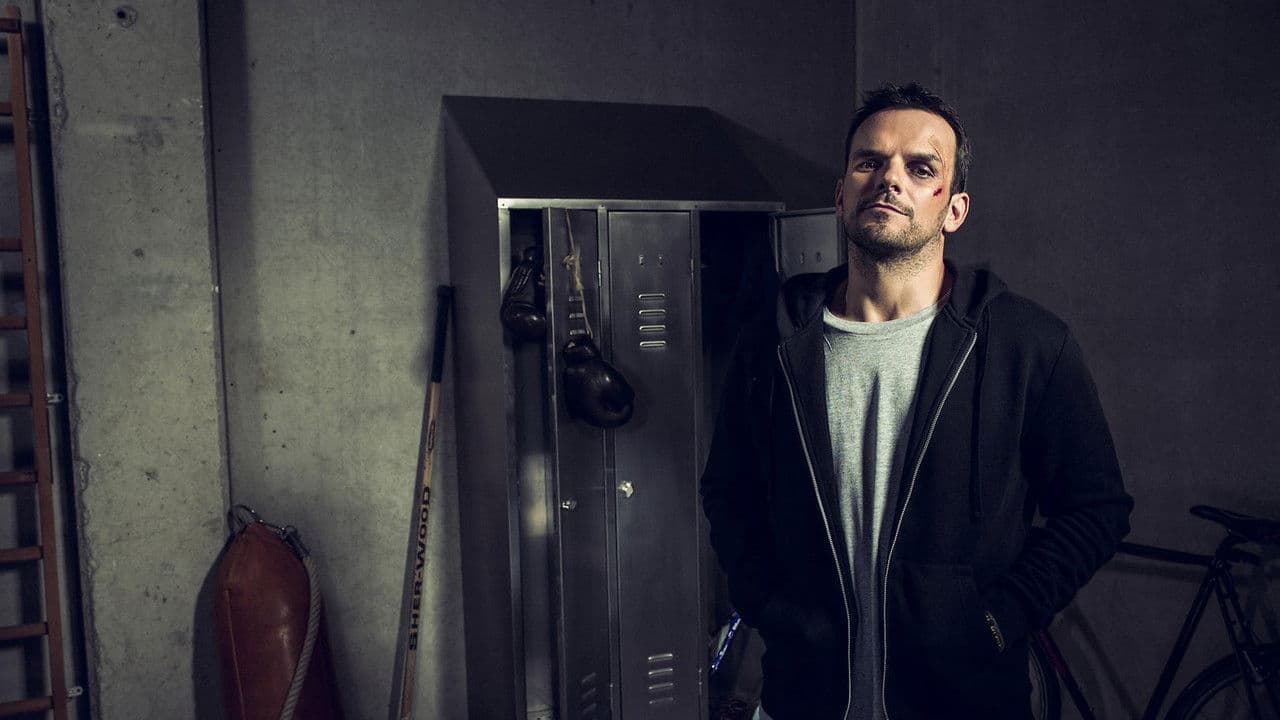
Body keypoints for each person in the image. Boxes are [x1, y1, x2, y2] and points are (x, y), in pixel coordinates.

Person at [700, 82, 1133, 719]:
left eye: (921, 168)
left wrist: (997, 620)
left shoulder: (1027, 344)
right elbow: (728, 493)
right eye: (869, 161)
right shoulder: (774, 340)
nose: (889, 179)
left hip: (962, 702)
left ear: (954, 209)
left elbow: (1095, 510)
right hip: (802, 698)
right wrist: (773, 608)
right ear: (840, 193)